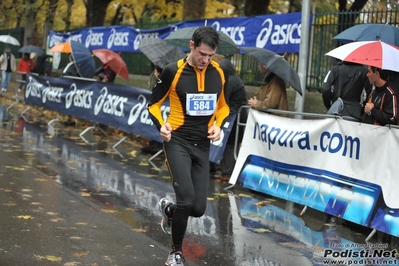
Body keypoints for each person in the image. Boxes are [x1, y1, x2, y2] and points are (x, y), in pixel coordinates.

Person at [147, 26, 229, 266]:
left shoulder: (218, 73)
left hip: (202, 145)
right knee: (186, 200)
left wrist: (219, 126)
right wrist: (161, 125)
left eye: (210, 55)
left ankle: (170, 211)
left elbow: (223, 106)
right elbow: (153, 104)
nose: (205, 60)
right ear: (192, 46)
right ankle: (175, 253)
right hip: (177, 142)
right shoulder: (174, 71)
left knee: (198, 208)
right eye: (202, 54)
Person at [218, 59, 248, 180]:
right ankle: (226, 170)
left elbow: (224, 99)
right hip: (236, 116)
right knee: (229, 144)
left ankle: (227, 172)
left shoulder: (231, 81)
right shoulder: (233, 79)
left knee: (230, 144)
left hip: (235, 117)